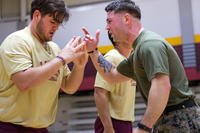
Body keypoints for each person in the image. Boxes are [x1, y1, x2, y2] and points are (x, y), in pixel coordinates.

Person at [83, 0, 200, 132]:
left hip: (179, 117)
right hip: (171, 117)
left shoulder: (148, 44)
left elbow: (162, 85)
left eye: (109, 21)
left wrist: (143, 127)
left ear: (126, 19)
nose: (107, 27)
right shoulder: (139, 49)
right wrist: (93, 51)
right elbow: (112, 75)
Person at [0, 0, 88, 132]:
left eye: (58, 23)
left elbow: (69, 87)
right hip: (11, 127)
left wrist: (80, 66)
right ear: (37, 15)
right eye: (52, 22)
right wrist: (61, 59)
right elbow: (24, 82)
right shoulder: (17, 41)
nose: (56, 27)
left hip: (42, 128)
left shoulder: (54, 49)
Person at [94, 32, 136, 133]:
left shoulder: (129, 59)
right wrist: (108, 127)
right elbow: (99, 92)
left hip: (125, 121)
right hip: (113, 123)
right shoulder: (112, 57)